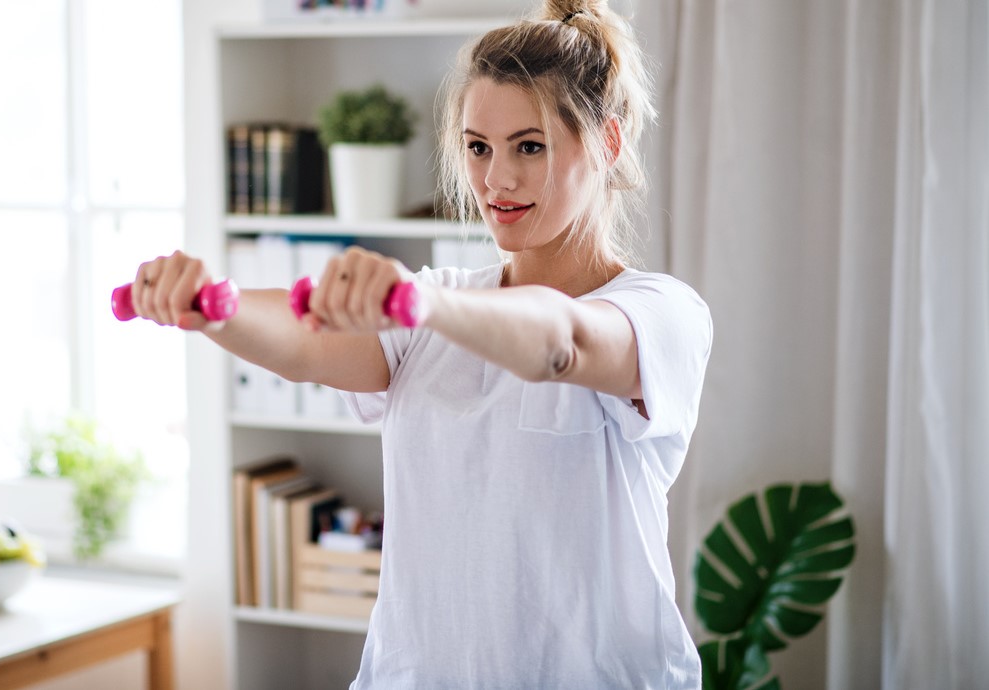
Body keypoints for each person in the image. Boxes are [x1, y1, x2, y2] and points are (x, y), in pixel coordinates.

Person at [129, 0, 711, 685]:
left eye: (529, 146)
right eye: (477, 147)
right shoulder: (435, 308)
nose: (495, 179)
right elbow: (307, 339)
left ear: (607, 144)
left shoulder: (659, 313)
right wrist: (209, 306)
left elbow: (563, 342)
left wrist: (421, 304)